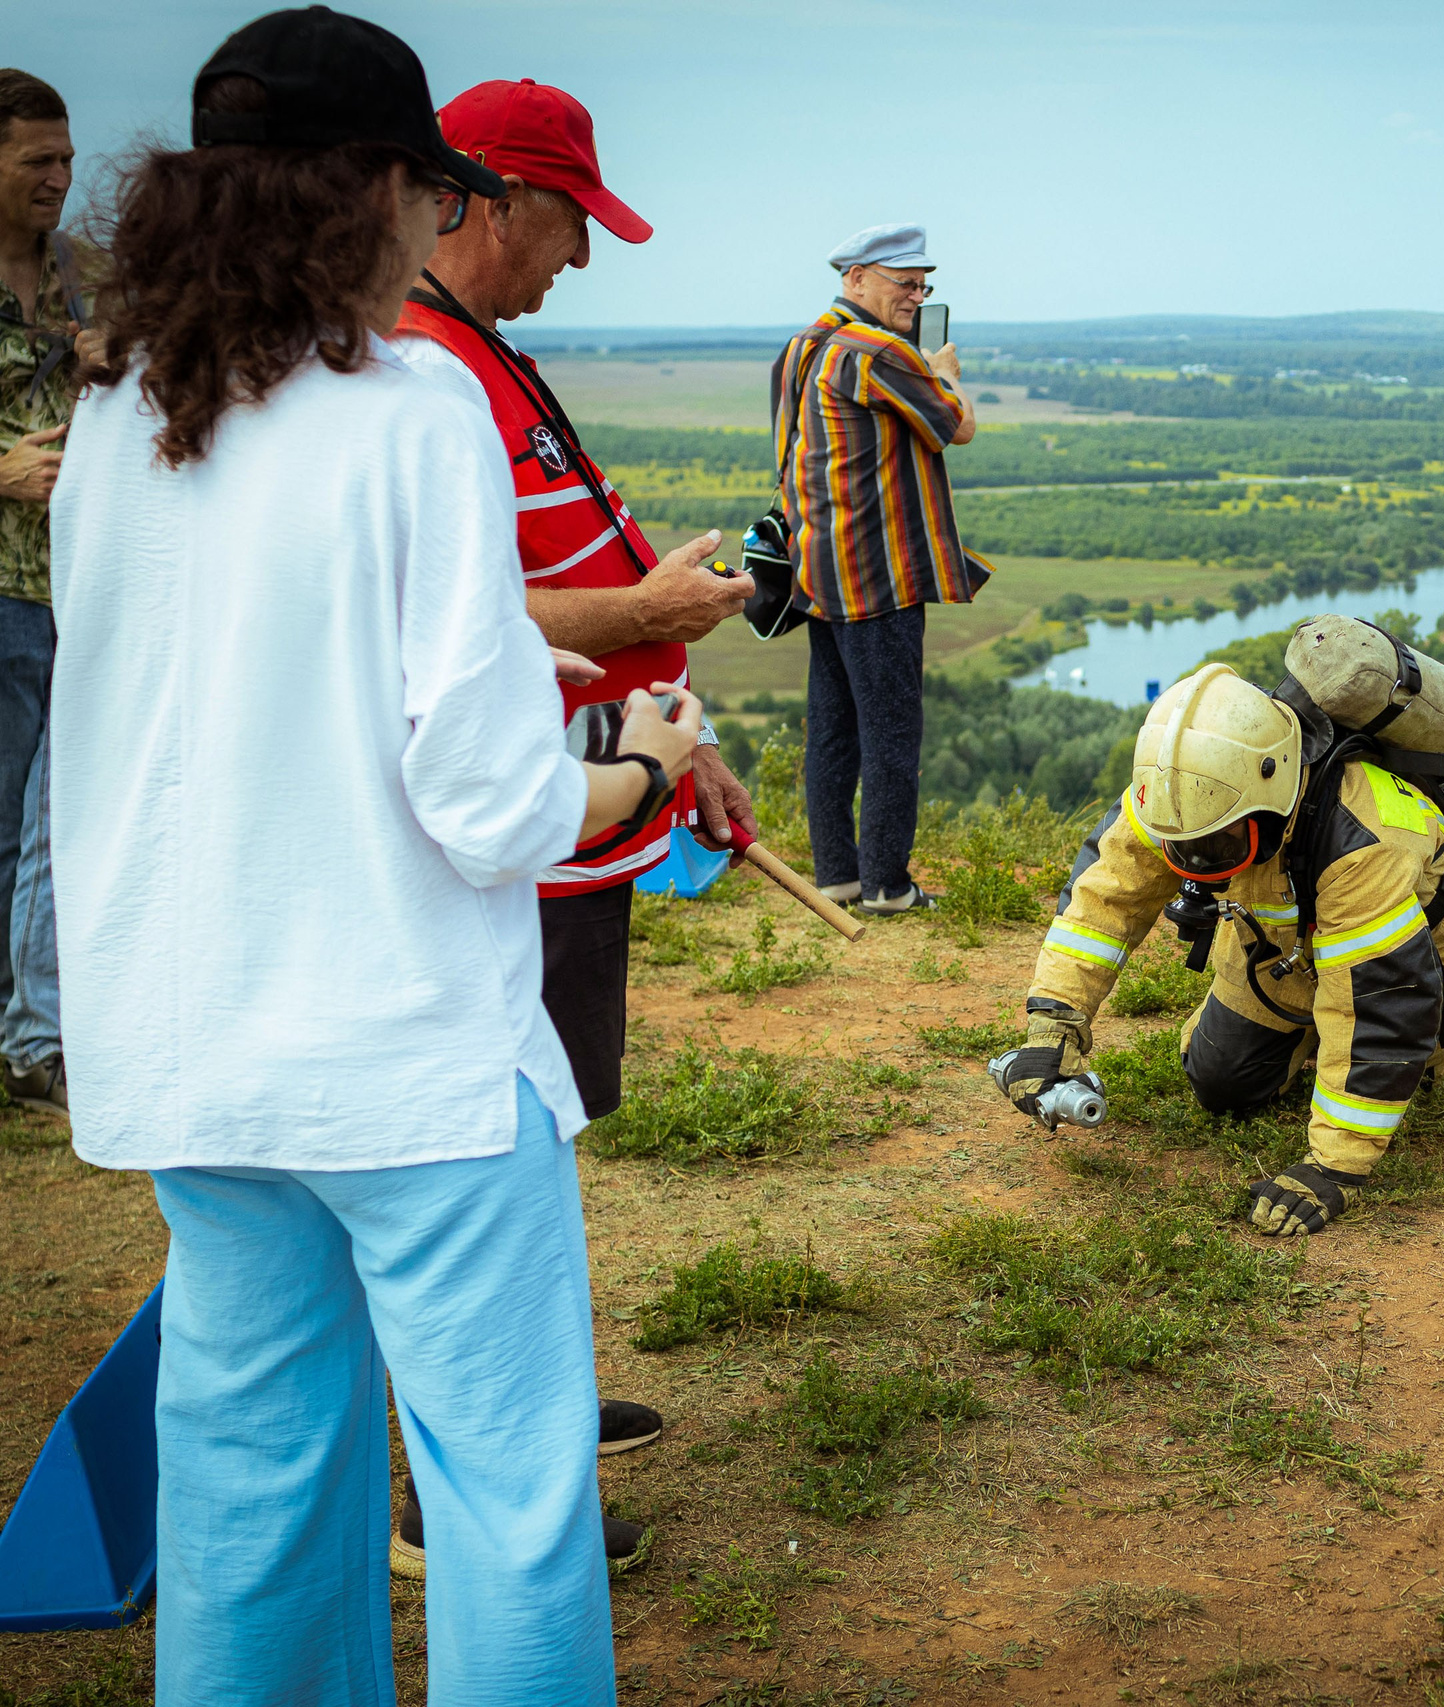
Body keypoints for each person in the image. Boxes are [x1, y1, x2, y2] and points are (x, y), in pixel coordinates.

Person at [49, 11, 700, 1700]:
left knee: (250, 1485)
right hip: (403, 1058)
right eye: (430, 196)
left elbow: (205, 683)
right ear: (375, 199)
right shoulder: (414, 408)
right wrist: (633, 771)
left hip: (191, 1048)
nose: (434, 230)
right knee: (506, 1492)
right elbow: (492, 809)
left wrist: (499, 653)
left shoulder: (116, 417)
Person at [389, 79, 756, 1550]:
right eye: (567, 221)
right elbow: (461, 622)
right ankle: (455, 1482)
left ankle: (520, 1403)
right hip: (513, 835)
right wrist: (649, 609)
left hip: (583, 796)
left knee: (539, 1141)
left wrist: (669, 731)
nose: (581, 259)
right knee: (487, 1159)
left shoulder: (479, 352)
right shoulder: (426, 368)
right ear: (477, 198)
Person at [992, 656, 1444, 1236]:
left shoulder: (1365, 841)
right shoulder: (1182, 795)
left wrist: (1332, 1168)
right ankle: (1315, 1045)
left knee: (1438, 1074)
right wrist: (1053, 1027)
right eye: (1181, 850)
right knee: (1221, 1083)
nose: (1195, 868)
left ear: (1272, 800)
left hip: (1424, 951)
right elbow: (1103, 905)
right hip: (1285, 951)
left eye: (1218, 851)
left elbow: (1381, 1006)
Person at [774, 223, 991, 914]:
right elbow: (957, 424)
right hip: (879, 573)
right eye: (904, 282)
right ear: (856, 277)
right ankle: (888, 887)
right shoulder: (877, 352)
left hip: (819, 568)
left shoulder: (804, 346)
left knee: (833, 727)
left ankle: (837, 873)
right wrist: (945, 373)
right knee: (891, 734)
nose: (916, 294)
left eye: (923, 284)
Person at [0, 68, 100, 1115]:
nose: (61, 179)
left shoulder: (86, 273)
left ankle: (38, 1037)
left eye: (67, 158)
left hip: (75, 579)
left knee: (54, 818)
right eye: (39, 160)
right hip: (1, 579)